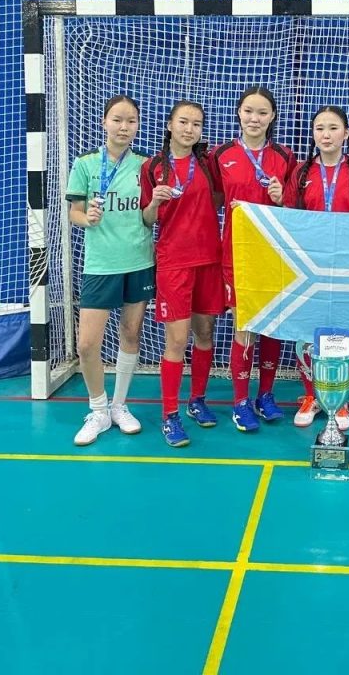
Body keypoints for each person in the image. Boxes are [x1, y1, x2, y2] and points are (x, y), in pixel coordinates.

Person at [283, 105, 349, 429]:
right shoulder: (301, 173)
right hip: (308, 269)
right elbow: (287, 218)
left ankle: (339, 399)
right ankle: (311, 395)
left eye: (333, 128)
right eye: (320, 128)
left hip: (348, 269)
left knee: (341, 332)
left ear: (346, 133)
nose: (326, 135)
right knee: (308, 333)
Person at [66, 95, 154, 447]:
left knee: (131, 334)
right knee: (87, 344)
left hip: (139, 261)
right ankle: (98, 410)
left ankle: (119, 406)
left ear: (138, 125)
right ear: (104, 122)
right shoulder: (85, 164)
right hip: (101, 265)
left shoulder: (146, 166)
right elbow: (74, 212)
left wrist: (157, 204)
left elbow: (149, 216)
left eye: (131, 121)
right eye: (117, 119)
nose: (123, 127)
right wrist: (86, 218)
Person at [210, 86, 297, 433]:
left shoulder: (285, 156)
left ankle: (266, 395)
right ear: (238, 113)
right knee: (244, 327)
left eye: (262, 112)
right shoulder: (221, 155)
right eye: (248, 111)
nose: (254, 118)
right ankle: (240, 402)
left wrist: (282, 197)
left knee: (272, 325)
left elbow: (295, 208)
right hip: (237, 256)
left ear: (272, 116)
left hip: (274, 255)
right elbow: (214, 200)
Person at [140, 100, 224, 447]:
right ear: (170, 125)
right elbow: (146, 219)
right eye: (184, 122)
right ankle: (170, 415)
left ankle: (197, 401)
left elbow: (218, 200)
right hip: (174, 262)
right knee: (176, 341)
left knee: (205, 334)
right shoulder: (152, 167)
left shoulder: (208, 163)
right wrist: (155, 203)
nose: (190, 129)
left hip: (209, 259)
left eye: (197, 124)